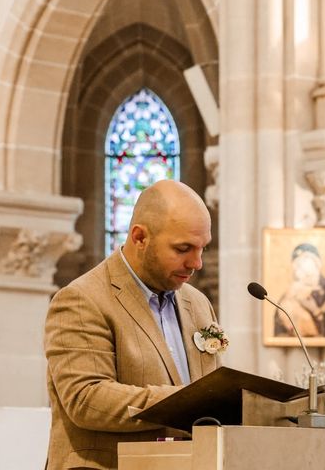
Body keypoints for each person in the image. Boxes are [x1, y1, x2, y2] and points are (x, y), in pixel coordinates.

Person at [44, 180, 220, 470]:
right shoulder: (81, 299)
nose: (197, 263)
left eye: (202, 248)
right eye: (183, 248)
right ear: (140, 237)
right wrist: (186, 402)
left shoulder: (197, 304)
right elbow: (86, 399)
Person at [274, 243, 325, 338]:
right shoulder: (291, 291)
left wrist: (315, 310)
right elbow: (278, 323)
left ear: (315, 263)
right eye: (298, 265)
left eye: (304, 262)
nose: (300, 269)